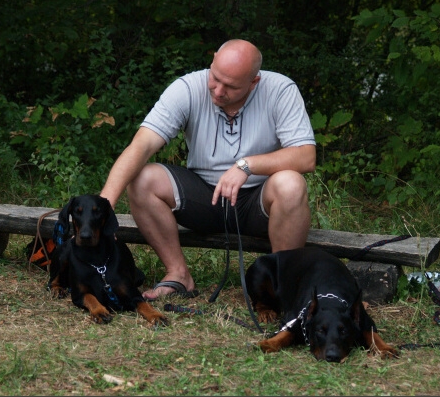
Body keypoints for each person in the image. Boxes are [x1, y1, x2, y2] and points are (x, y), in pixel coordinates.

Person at [100, 39, 316, 300]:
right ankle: (178, 274)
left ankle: (283, 284)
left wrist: (247, 165)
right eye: (215, 78)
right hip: (203, 200)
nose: (218, 90)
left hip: (259, 203)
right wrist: (104, 205)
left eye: (231, 86)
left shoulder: (280, 90)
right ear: (212, 60)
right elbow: (142, 145)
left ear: (254, 82)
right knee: (143, 179)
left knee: (291, 184)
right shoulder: (188, 87)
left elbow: (306, 157)